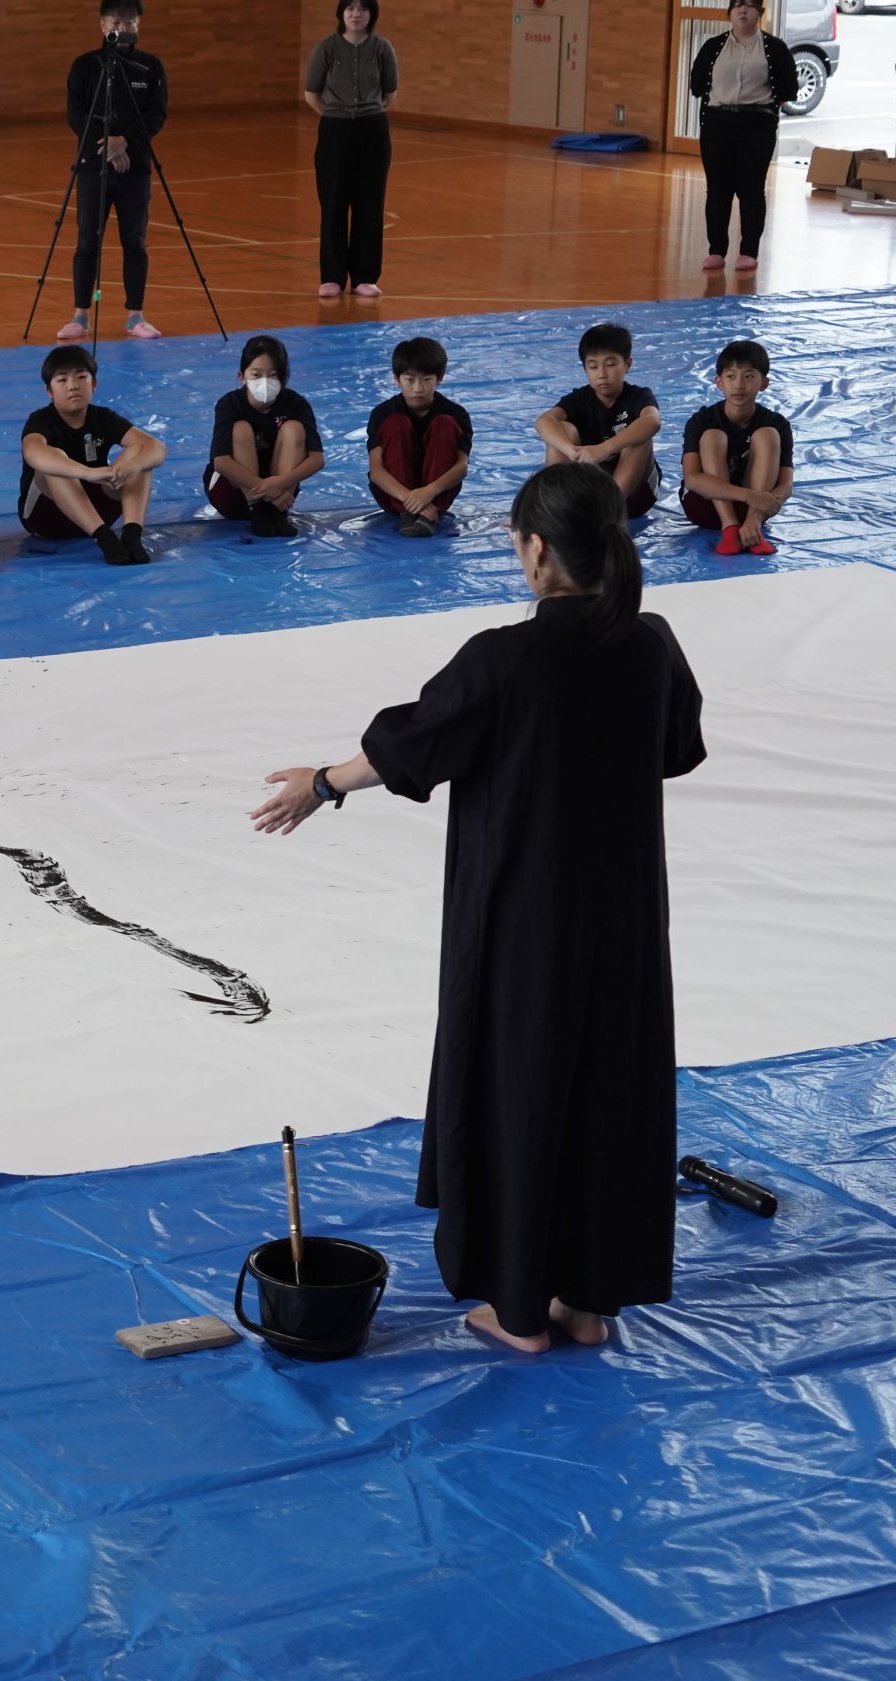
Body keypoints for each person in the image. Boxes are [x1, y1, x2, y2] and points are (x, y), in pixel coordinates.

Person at [250, 461, 707, 1354]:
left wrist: (320, 784)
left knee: (521, 1090)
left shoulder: (508, 658)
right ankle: (588, 1299)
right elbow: (676, 748)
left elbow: (412, 743)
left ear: (536, 550)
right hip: (623, 923)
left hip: (523, 918)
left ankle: (520, 1306)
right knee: (609, 1090)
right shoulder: (650, 642)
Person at [57, 0, 171, 341]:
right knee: (87, 238)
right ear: (102, 23)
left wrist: (126, 144)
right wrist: (109, 146)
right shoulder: (85, 66)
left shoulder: (150, 67)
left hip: (135, 165)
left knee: (134, 240)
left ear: (138, 24)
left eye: (129, 21)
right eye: (115, 20)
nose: (122, 27)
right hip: (94, 165)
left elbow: (156, 115)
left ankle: (135, 315)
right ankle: (81, 315)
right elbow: (77, 116)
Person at [18, 344, 165, 563]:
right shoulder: (40, 420)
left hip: (98, 510)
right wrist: (87, 472)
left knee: (141, 453)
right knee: (54, 462)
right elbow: (33, 453)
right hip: (46, 519)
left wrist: (132, 467)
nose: (73, 386)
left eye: (81, 377)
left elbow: (157, 447)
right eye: (62, 380)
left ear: (94, 384)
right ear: (49, 391)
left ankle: (132, 536)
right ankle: (105, 539)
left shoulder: (103, 417)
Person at [689, 0, 797, 273]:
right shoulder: (713, 46)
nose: (743, 10)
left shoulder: (775, 48)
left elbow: (787, 89)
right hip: (716, 124)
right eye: (737, 5)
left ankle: (749, 251)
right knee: (717, 189)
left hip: (756, 126)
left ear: (760, 13)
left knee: (750, 188)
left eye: (750, 5)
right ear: (730, 13)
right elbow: (697, 83)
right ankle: (716, 250)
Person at [302, 0, 399, 300]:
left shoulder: (382, 48)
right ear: (341, 14)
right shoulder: (327, 48)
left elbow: (389, 93)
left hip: (373, 131)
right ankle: (331, 276)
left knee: (370, 204)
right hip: (335, 130)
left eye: (363, 9)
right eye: (350, 9)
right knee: (333, 203)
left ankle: (364, 277)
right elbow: (311, 94)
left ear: (372, 14)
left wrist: (366, 116)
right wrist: (337, 116)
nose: (356, 15)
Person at [534, 323, 662, 518]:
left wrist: (603, 449)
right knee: (562, 430)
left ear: (628, 364)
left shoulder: (638, 396)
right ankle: (562, 503)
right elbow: (543, 422)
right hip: (589, 494)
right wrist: (572, 451)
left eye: (610, 364)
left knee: (638, 433)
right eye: (593, 366)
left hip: (635, 496)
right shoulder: (580, 399)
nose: (602, 374)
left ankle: (610, 507)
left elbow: (652, 421)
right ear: (585, 368)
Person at [680, 339, 793, 555]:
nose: (739, 385)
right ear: (719, 382)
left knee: (768, 434)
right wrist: (749, 496)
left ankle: (752, 528)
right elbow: (693, 479)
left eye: (749, 376)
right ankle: (730, 527)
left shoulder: (777, 424)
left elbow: (786, 485)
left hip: (756, 509)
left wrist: (758, 512)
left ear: (764, 383)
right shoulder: (701, 420)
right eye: (731, 376)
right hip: (706, 505)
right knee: (712, 436)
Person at [208, 334, 324, 539]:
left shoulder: (296, 404)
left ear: (283, 377)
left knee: (294, 428)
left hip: (281, 496)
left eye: (272, 375)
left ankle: (277, 514)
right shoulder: (229, 404)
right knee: (241, 429)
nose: (265, 382)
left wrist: (280, 484)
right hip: (234, 494)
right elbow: (221, 462)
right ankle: (258, 509)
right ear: (242, 376)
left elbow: (317, 459)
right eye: (256, 374)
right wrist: (262, 490)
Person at [366, 335, 470, 537]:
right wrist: (410, 500)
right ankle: (412, 514)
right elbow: (376, 471)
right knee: (397, 424)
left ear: (439, 379)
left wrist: (428, 493)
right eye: (410, 380)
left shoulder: (456, 414)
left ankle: (428, 514)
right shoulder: (383, 413)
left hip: (437, 494)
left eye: (427, 379)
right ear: (396, 379)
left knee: (444, 424)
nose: (418, 388)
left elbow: (461, 467)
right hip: (395, 495)